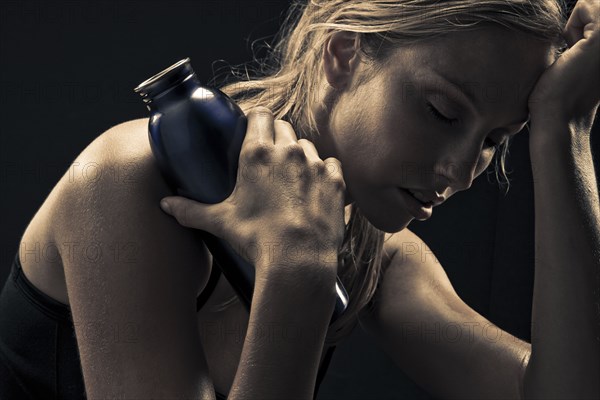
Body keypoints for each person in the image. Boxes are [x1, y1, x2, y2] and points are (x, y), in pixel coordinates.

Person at [1, 0, 598, 399]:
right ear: (344, 53)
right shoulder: (133, 180)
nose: (461, 171)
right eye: (441, 111)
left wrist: (564, 129)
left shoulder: (376, 252)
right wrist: (298, 272)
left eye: (496, 140)